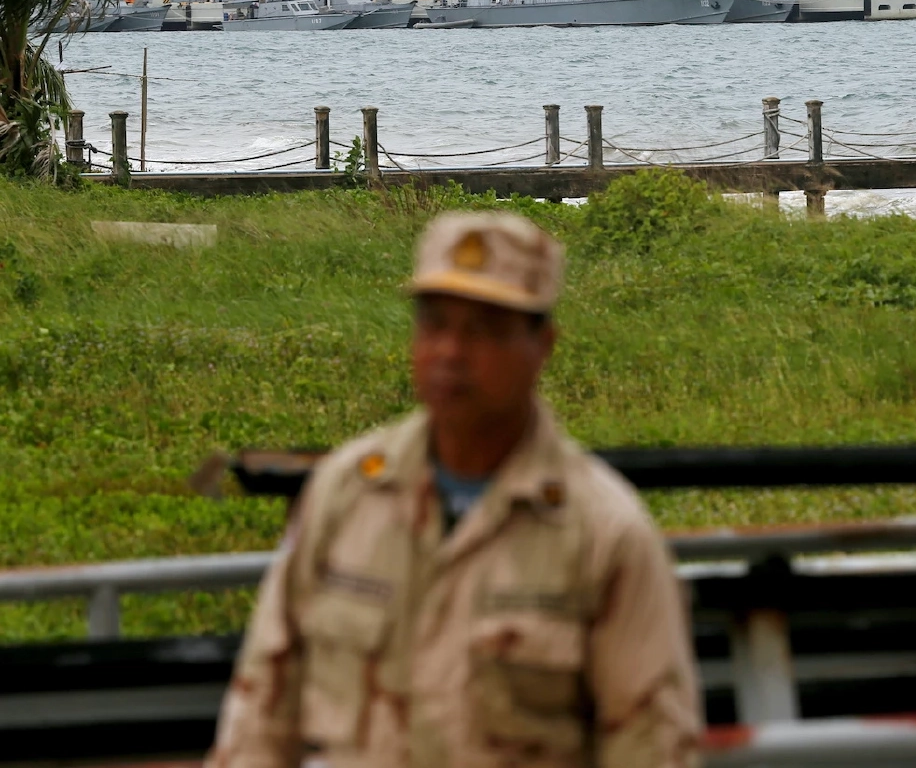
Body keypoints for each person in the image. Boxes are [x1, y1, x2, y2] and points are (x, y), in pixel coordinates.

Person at [207, 211, 701, 768]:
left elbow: (650, 745)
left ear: (542, 346)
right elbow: (261, 711)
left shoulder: (602, 531)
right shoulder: (346, 494)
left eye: (483, 330)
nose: (451, 351)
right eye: (435, 324)